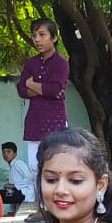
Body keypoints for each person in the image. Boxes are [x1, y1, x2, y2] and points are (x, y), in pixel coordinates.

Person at [18, 18, 69, 166]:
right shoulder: (31, 63)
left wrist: (30, 84)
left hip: (55, 122)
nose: (37, 40)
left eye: (42, 35)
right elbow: (21, 90)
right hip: (34, 122)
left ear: (54, 37)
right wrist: (44, 89)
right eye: (34, 35)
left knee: (57, 165)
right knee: (34, 167)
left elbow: (54, 89)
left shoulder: (61, 63)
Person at [2, 140, 35, 213]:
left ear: (15, 154)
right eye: (4, 152)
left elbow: (30, 178)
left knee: (0, 195)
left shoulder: (18, 164)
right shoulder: (11, 166)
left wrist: (14, 185)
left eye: (8, 151)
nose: (6, 154)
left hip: (26, 195)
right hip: (18, 195)